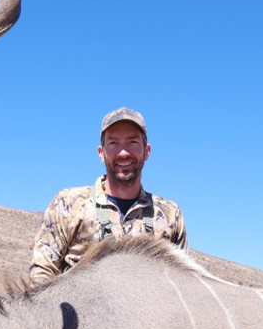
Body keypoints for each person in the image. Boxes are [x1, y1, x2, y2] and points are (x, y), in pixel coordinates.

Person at [29, 107, 187, 285]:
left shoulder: (170, 214)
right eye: (113, 143)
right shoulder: (68, 203)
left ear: (147, 151)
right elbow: (41, 277)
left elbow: (181, 285)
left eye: (132, 141)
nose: (123, 152)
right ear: (101, 153)